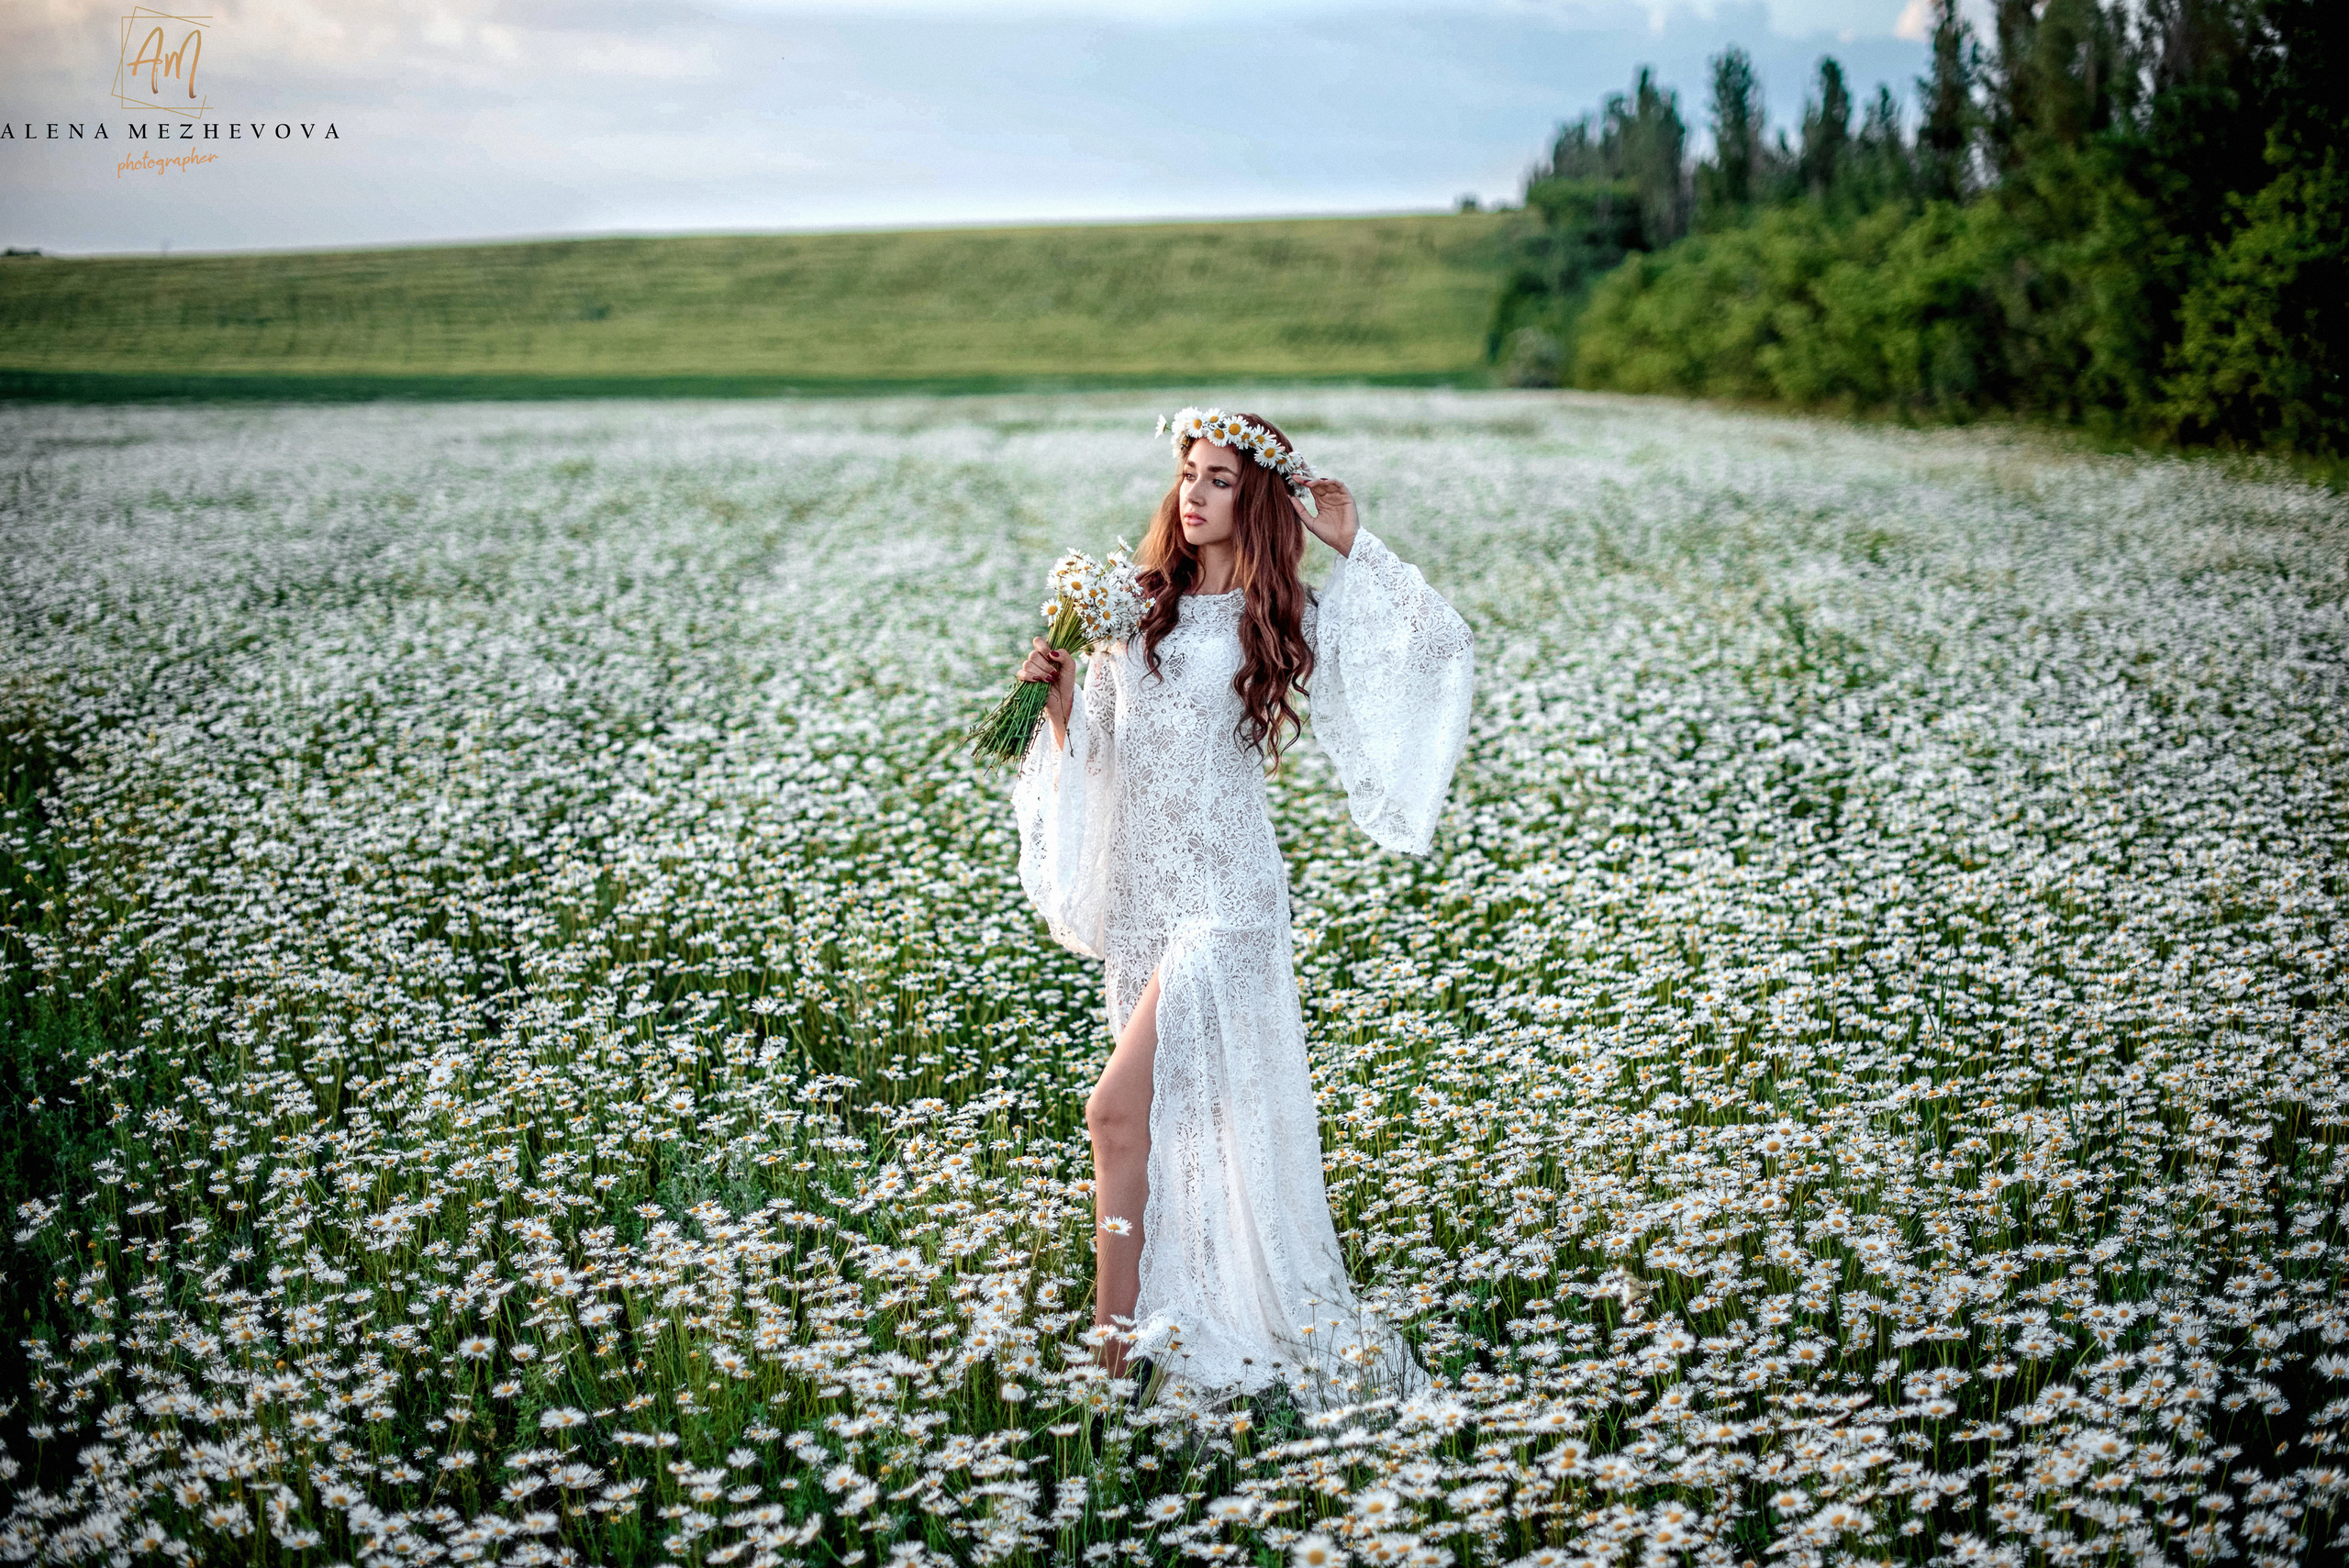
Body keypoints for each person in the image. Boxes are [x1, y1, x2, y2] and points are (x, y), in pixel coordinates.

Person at [1009, 407, 1475, 1411]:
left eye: (1219, 477)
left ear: (1254, 496)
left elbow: (1436, 644)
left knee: (1112, 1109)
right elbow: (1102, 755)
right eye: (1189, 471)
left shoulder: (1284, 609)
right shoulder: (1133, 607)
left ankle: (1107, 1356)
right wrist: (1057, 703)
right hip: (1148, 893)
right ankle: (1136, 1344)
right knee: (1170, 1124)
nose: (1194, 492)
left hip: (1227, 901)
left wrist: (1352, 544)